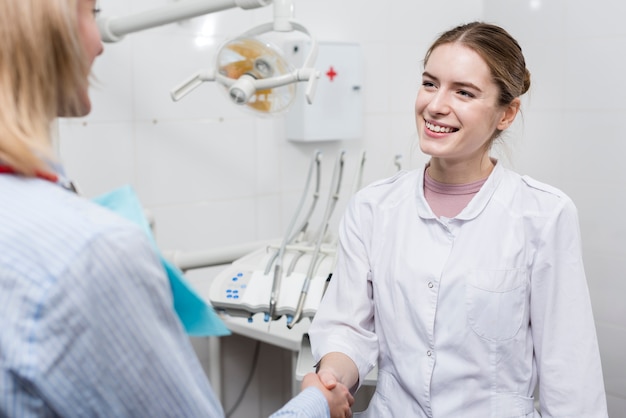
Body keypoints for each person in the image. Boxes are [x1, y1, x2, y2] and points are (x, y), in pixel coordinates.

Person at [0, 0, 353, 417]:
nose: (99, 43)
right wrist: (317, 403)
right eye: (92, 13)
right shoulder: (88, 253)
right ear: (45, 28)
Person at [303, 21, 608, 417]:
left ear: (507, 114)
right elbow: (347, 329)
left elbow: (569, 372)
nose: (435, 105)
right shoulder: (372, 208)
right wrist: (329, 380)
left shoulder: (543, 214)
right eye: (430, 83)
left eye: (463, 92)